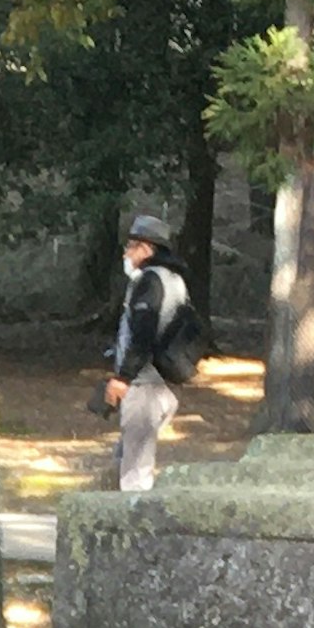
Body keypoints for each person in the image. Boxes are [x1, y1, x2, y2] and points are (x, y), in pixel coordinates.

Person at [100, 209, 204, 493]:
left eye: (130, 247)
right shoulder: (175, 280)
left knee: (135, 471)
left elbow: (142, 333)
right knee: (126, 457)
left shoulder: (149, 281)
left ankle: (133, 529)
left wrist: (122, 377)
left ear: (146, 247)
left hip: (145, 384)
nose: (126, 253)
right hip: (163, 384)